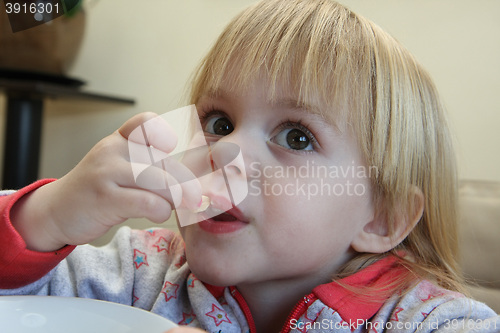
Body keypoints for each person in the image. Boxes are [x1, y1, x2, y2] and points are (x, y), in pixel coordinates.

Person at [1, 0, 499, 332]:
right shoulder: (143, 272)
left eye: (297, 136)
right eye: (218, 122)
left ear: (382, 217)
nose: (224, 150)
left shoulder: (429, 320)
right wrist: (49, 214)